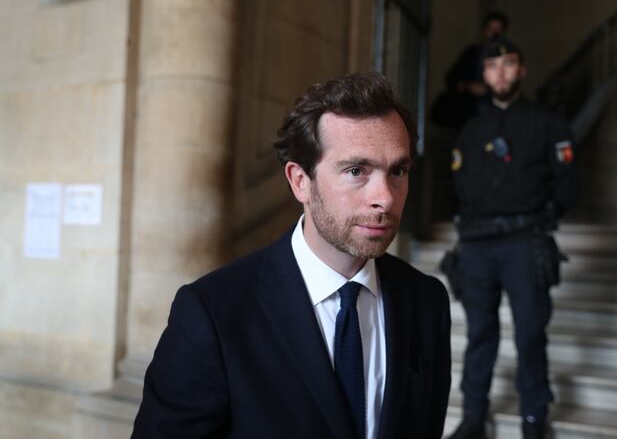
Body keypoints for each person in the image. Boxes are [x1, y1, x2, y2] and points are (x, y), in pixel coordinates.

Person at [132, 72, 452, 439]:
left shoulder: (427, 301)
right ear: (300, 181)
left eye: (398, 170)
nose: (386, 197)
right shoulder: (213, 313)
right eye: (356, 171)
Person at [447, 37, 577, 439]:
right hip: (477, 247)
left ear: (521, 70)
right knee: (480, 333)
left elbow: (569, 183)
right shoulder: (470, 131)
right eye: (492, 65)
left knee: (529, 333)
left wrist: (546, 217)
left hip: (525, 241)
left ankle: (534, 417)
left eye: (508, 63)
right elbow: (460, 187)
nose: (500, 72)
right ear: (484, 74)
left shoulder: (548, 123)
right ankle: (473, 416)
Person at [431, 11, 509, 128]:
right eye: (490, 29)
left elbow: (513, 86)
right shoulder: (472, 53)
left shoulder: (509, 57)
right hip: (468, 115)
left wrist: (488, 90)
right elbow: (451, 79)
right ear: (484, 30)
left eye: (498, 29)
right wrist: (468, 86)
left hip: (497, 116)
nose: (494, 33)